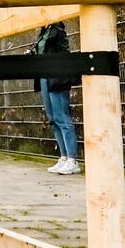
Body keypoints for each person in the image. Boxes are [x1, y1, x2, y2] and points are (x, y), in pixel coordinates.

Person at [33, 21, 80, 175]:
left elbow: (64, 53)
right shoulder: (43, 32)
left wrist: (63, 73)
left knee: (62, 117)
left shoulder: (58, 30)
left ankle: (72, 160)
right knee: (53, 118)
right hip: (44, 77)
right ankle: (64, 157)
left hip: (57, 77)